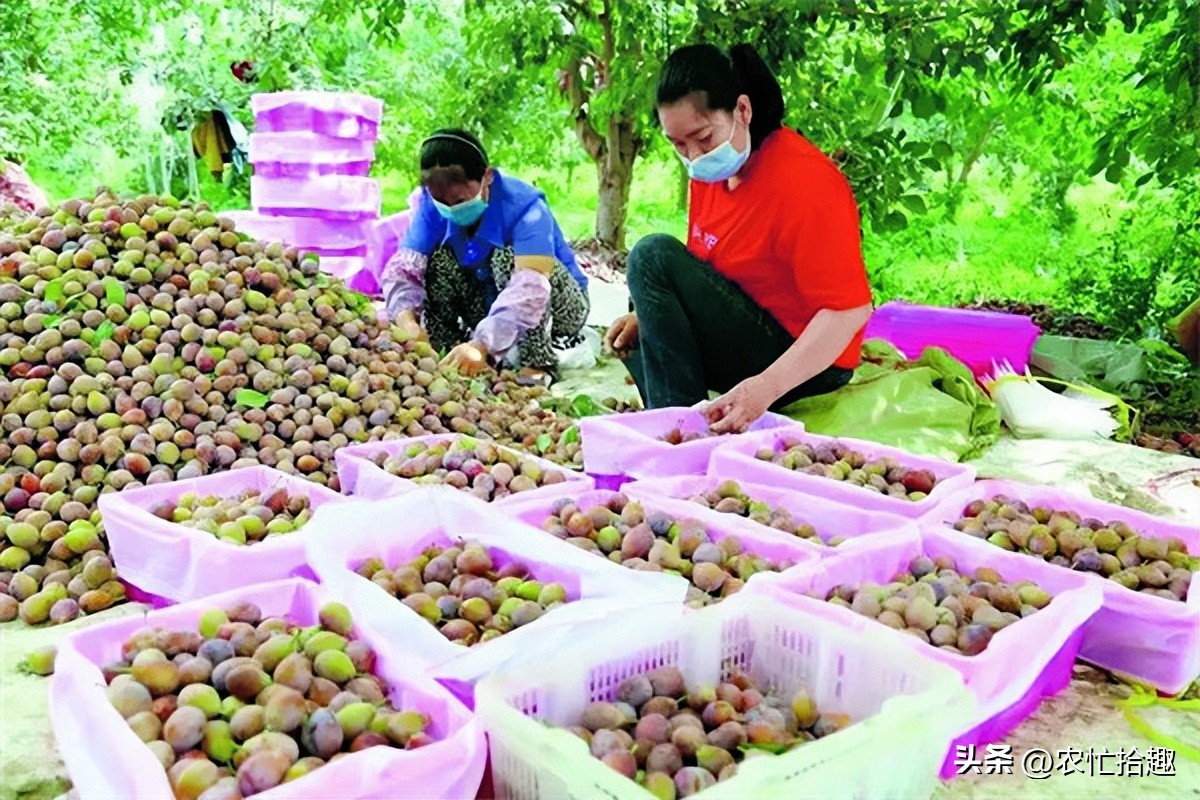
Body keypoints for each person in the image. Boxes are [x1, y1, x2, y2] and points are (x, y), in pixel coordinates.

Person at [605, 43, 873, 433]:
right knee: (638, 320)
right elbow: (707, 267)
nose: (693, 156)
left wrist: (766, 386)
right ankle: (683, 421)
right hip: (748, 331)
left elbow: (849, 312)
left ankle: (678, 430)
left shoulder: (806, 183)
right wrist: (648, 315)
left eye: (702, 137)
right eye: (678, 145)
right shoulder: (710, 174)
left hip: (808, 360)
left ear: (742, 111)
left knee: (651, 257)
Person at [381, 129, 590, 380]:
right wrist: (408, 324)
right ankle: (445, 355)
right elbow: (403, 273)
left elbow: (533, 287)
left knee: (506, 257)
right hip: (489, 306)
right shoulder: (429, 205)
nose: (451, 207)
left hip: (557, 310)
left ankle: (537, 363)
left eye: (459, 198)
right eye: (441, 200)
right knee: (435, 262)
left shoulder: (527, 208)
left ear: (487, 177)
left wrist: (484, 344)